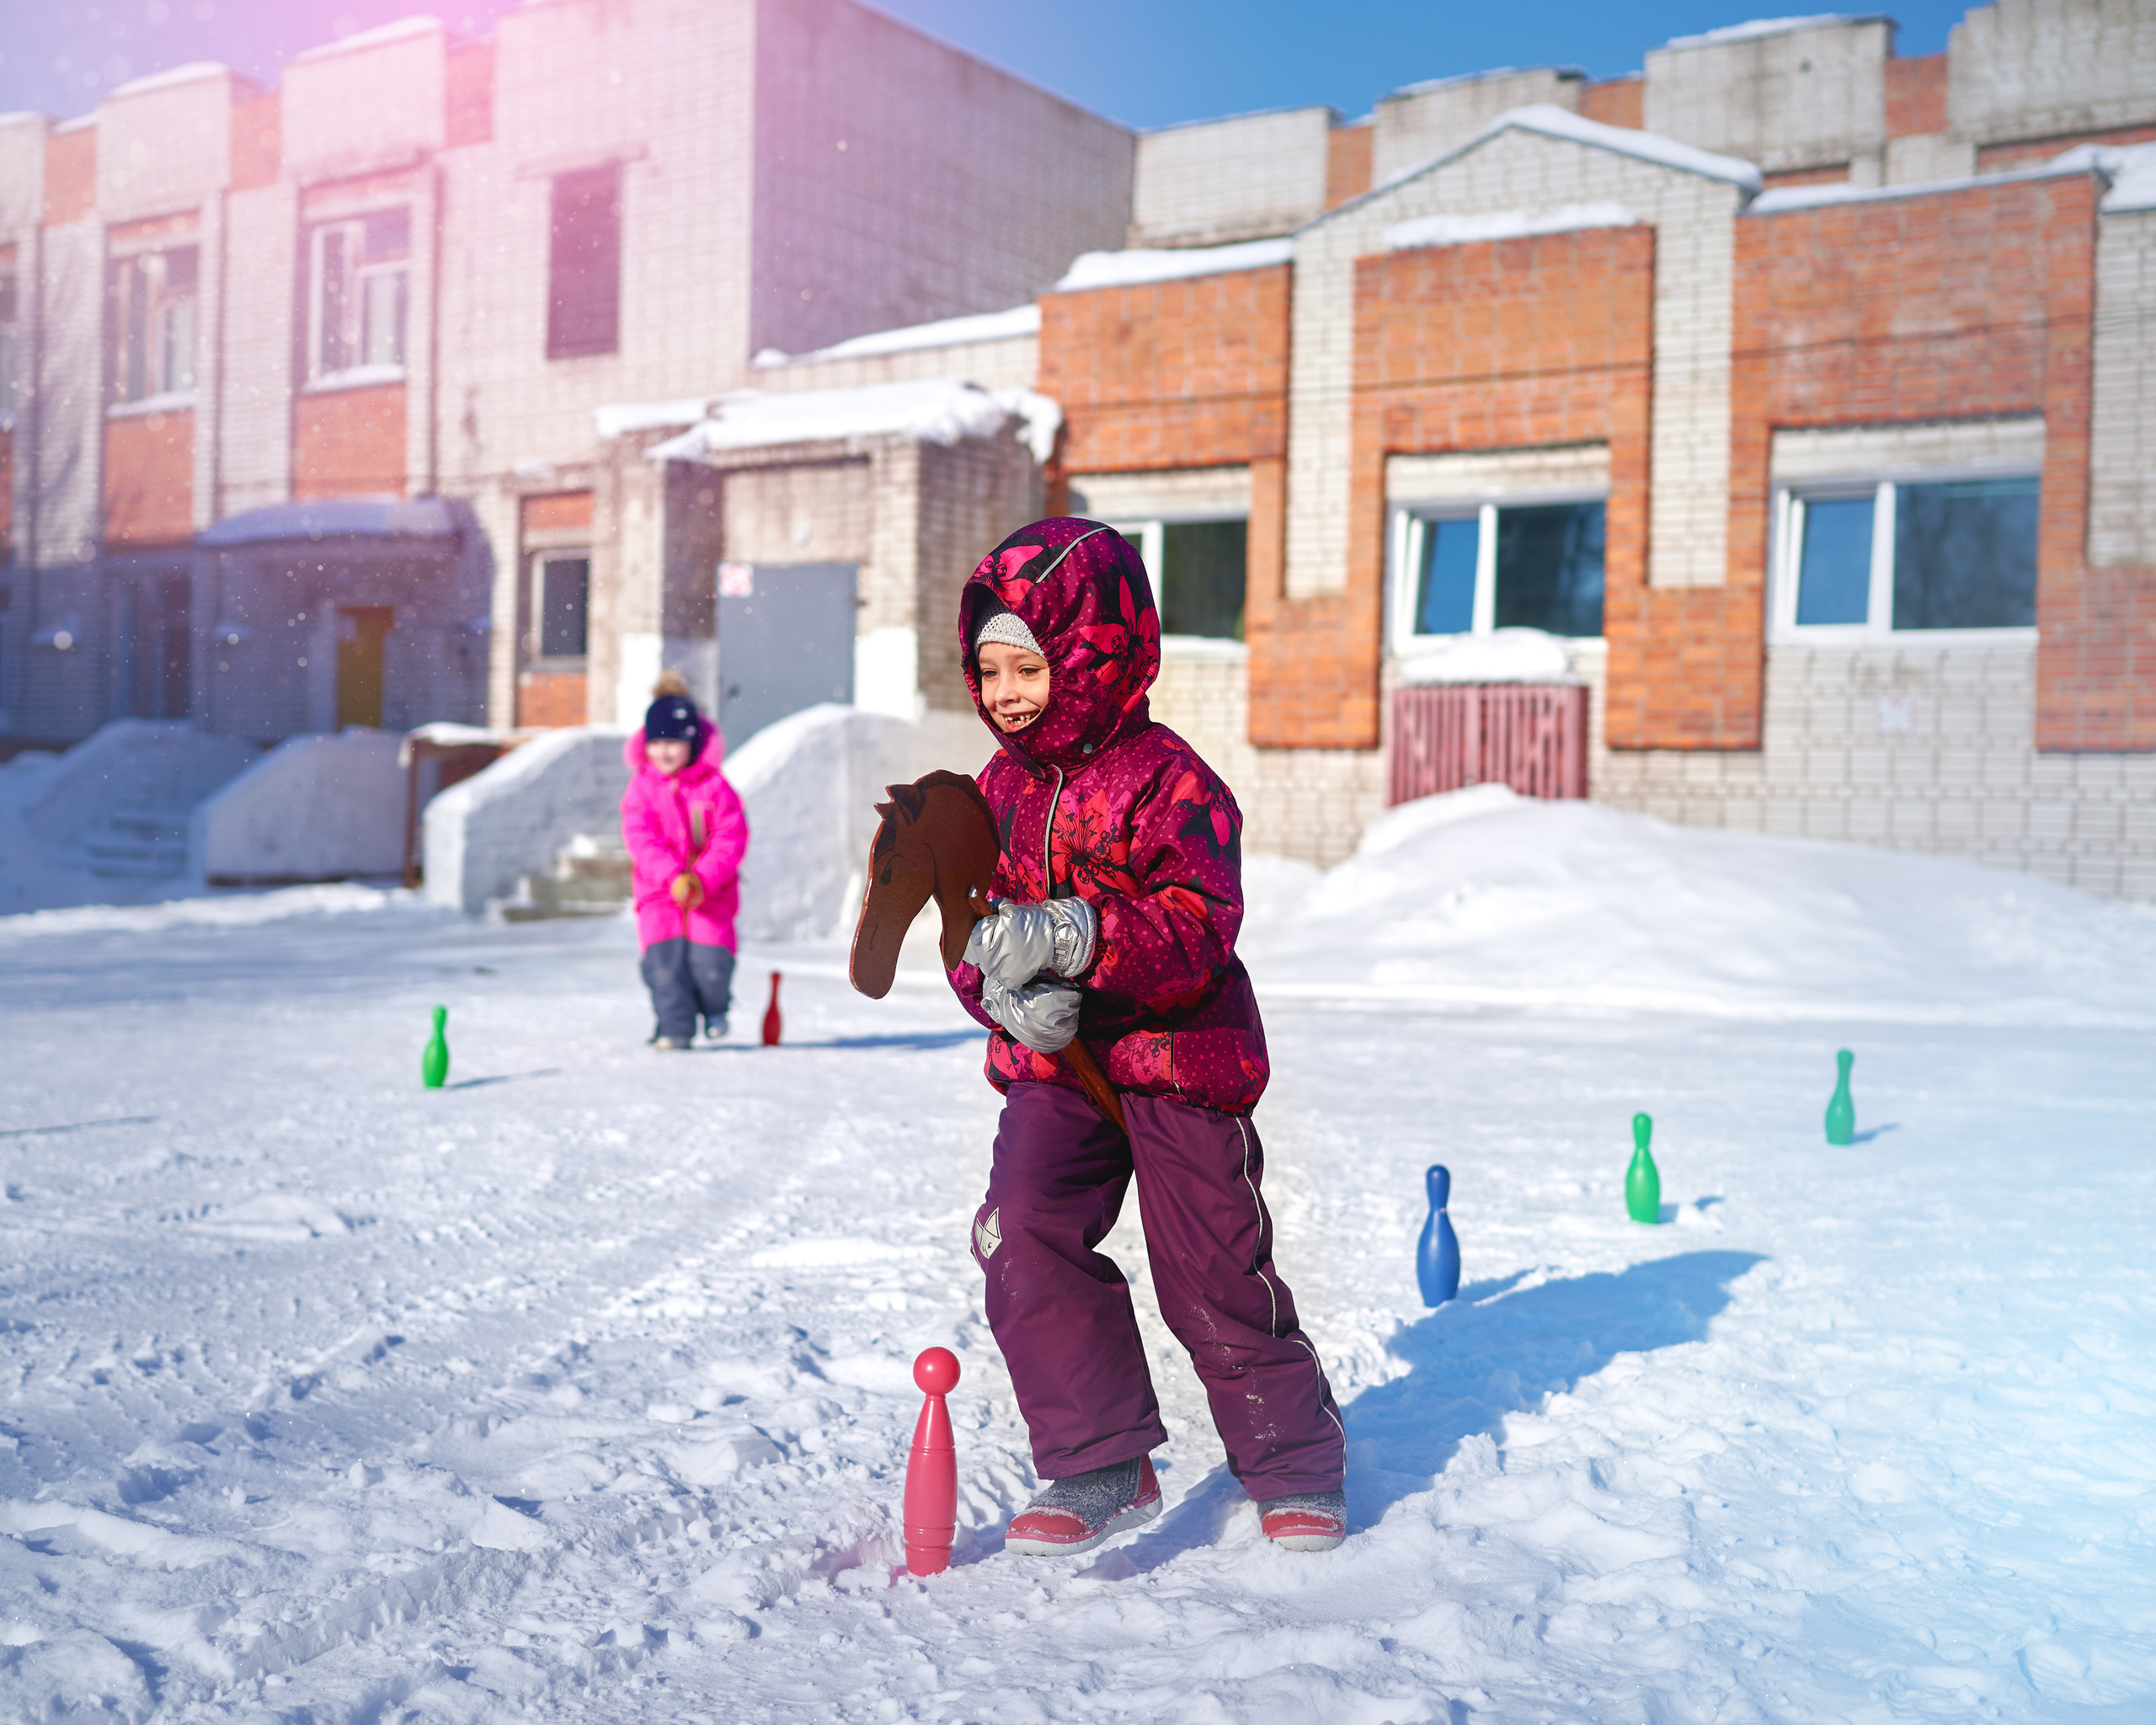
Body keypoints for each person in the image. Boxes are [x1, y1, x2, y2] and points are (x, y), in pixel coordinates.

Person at [949, 517, 1347, 1557]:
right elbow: (970, 927)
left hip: (1177, 1056)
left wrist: (1077, 935)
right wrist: (998, 993)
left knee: (1209, 1272)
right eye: (989, 670)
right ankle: (1099, 1458)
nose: (1006, 692)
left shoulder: (1170, 779)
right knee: (1020, 1227)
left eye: (1029, 665)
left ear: (1092, 655)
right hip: (1057, 1067)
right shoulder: (995, 792)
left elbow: (1199, 926)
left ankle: (1294, 1462)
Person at [621, 672, 748, 1049]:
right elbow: (640, 838)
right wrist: (672, 876)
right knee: (663, 966)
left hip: (711, 893)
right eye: (656, 742)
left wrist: (702, 878)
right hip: (659, 893)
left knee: (710, 964)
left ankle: (714, 1007)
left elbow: (729, 837)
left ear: (691, 743)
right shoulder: (642, 787)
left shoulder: (715, 787)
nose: (664, 752)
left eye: (673, 742)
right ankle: (674, 1028)